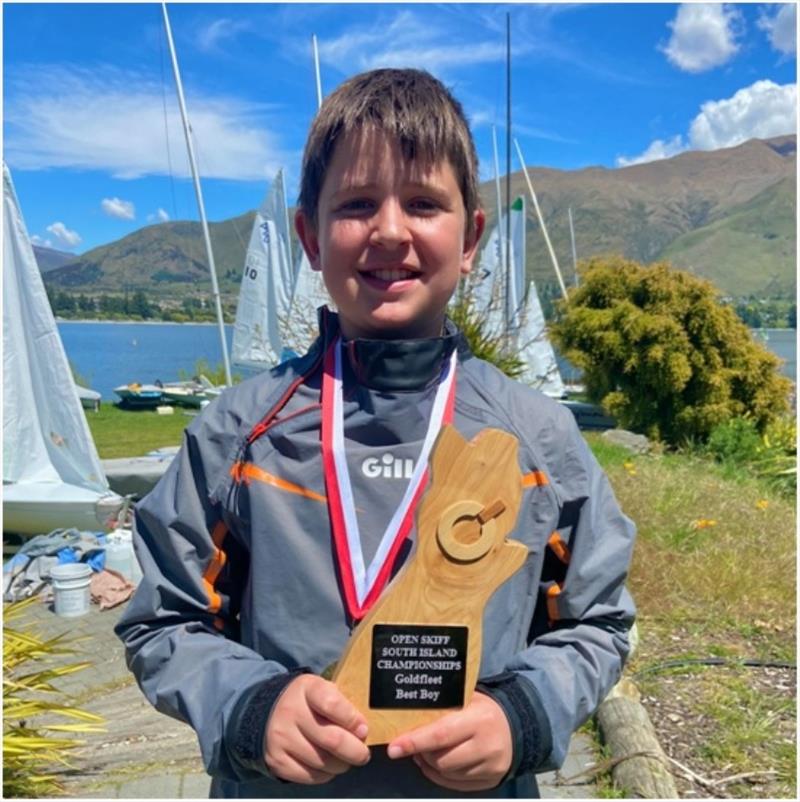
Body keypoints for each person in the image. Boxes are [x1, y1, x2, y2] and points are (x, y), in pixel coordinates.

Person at [116, 67, 636, 799]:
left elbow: (598, 623)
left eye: (423, 203)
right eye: (357, 204)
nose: (390, 230)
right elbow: (162, 622)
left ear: (470, 239)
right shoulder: (237, 434)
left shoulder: (537, 439)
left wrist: (520, 716)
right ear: (309, 235)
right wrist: (249, 706)